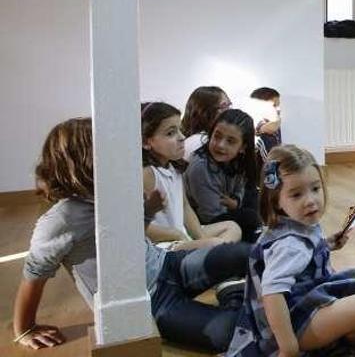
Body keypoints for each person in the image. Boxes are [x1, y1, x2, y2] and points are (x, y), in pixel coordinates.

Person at [12, 117, 251, 352]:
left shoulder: (112, 193)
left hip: (168, 265)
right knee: (232, 332)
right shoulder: (61, 219)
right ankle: (234, 294)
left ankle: (237, 292)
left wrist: (148, 212)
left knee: (240, 253)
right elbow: (35, 270)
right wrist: (24, 328)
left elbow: (128, 231)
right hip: (150, 303)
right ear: (85, 163)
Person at [226, 145, 355, 356]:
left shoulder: (294, 226)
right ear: (276, 201)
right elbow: (271, 294)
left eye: (315, 189)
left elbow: (302, 259)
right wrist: (288, 346)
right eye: (296, 194)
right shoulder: (290, 245)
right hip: (295, 324)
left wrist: (327, 244)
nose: (310, 200)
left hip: (308, 305)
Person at [142, 101, 242, 250]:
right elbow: (139, 226)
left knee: (232, 227)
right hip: (164, 245)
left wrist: (199, 236)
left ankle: (215, 254)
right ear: (147, 142)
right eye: (171, 133)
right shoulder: (148, 174)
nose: (182, 137)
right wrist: (175, 235)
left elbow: (185, 207)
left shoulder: (174, 168)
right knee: (214, 244)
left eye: (180, 130)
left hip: (180, 235)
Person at [185, 109, 262, 242]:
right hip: (202, 222)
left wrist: (236, 202)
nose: (220, 145)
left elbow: (241, 189)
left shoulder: (239, 161)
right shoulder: (200, 167)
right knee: (250, 218)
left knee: (256, 196)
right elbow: (210, 215)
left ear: (243, 147)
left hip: (226, 210)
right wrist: (236, 206)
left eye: (230, 141)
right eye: (217, 136)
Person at [181, 86, 232, 161]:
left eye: (229, 105)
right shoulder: (201, 142)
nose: (230, 111)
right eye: (224, 106)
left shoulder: (196, 139)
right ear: (205, 112)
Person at [249, 87, 282, 163]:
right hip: (264, 165)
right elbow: (272, 128)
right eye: (274, 105)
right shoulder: (258, 121)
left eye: (278, 105)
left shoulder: (273, 121)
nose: (278, 109)